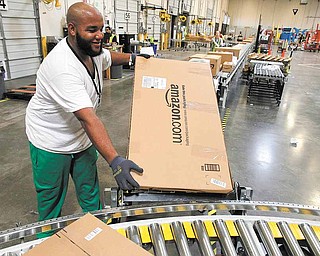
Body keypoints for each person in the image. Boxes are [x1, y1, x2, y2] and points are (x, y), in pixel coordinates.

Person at [25, 2, 147, 237]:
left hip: (80, 139)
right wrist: (115, 161)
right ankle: (46, 242)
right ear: (72, 29)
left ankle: (98, 234)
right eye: (92, 29)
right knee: (51, 202)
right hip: (51, 142)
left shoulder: (93, 51)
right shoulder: (62, 67)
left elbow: (110, 57)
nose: (100, 35)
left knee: (90, 191)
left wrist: (134, 59)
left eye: (102, 28)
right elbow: (89, 119)